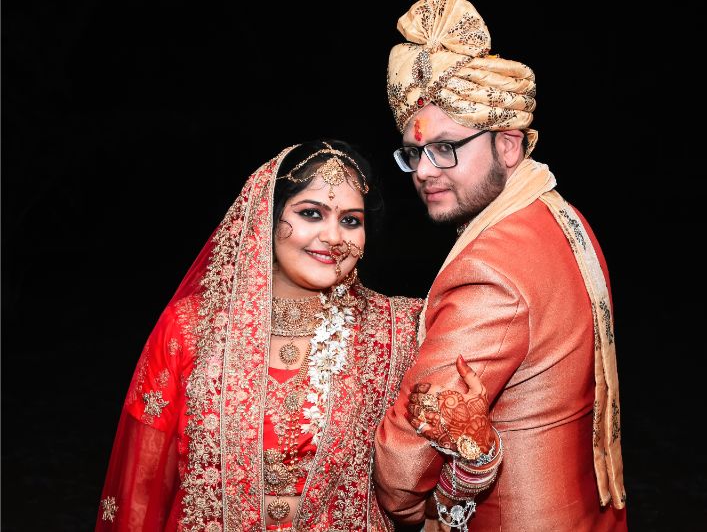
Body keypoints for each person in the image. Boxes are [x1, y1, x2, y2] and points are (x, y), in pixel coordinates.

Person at [96, 139, 462, 531]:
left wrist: (475, 456)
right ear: (265, 219)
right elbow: (142, 486)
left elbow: (434, 477)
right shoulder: (193, 327)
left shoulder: (400, 328)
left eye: (351, 221)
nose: (333, 237)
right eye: (311, 213)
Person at [374, 0, 628, 530]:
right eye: (414, 153)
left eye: (446, 148)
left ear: (509, 145)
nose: (424, 171)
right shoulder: (560, 214)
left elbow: (410, 446)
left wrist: (409, 509)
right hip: (585, 509)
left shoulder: (490, 271)